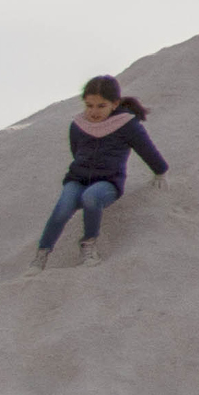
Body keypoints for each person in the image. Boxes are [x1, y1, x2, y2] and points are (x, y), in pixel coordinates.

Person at [30, 76, 167, 272]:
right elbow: (76, 152)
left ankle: (89, 245)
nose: (94, 112)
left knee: (91, 198)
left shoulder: (127, 125)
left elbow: (146, 149)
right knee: (63, 208)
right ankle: (41, 256)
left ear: (115, 104)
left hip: (108, 182)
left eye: (101, 106)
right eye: (89, 105)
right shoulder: (78, 125)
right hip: (77, 179)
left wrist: (160, 172)